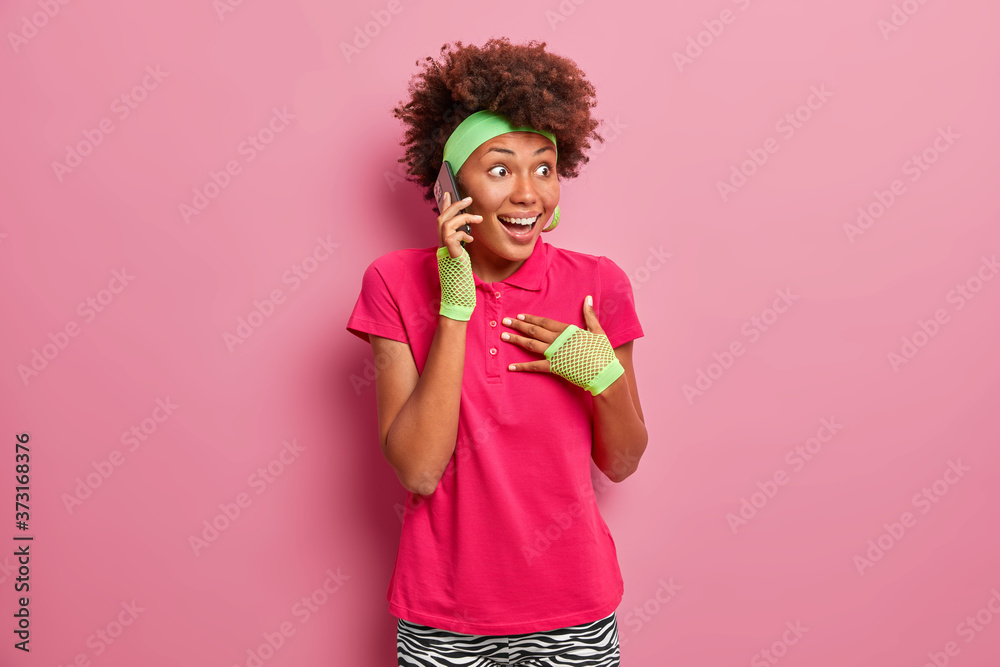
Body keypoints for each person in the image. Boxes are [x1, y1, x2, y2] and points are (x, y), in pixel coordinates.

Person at [346, 37, 648, 666]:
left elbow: (622, 461)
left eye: (544, 167)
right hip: (445, 613)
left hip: (574, 607)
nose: (528, 194)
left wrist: (601, 376)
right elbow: (419, 470)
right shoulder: (396, 283)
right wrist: (454, 304)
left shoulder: (598, 283)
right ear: (452, 186)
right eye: (501, 168)